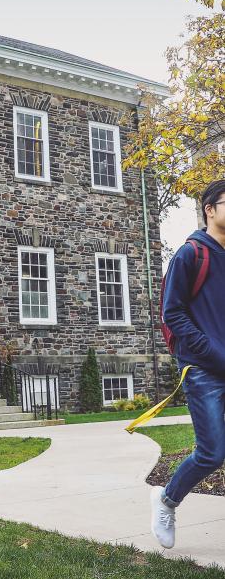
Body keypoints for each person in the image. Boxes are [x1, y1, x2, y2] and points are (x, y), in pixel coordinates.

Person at [151, 179, 225, 549]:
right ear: (210, 209)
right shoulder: (191, 254)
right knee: (212, 452)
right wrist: (210, 351)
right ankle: (166, 501)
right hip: (204, 369)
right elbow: (173, 313)